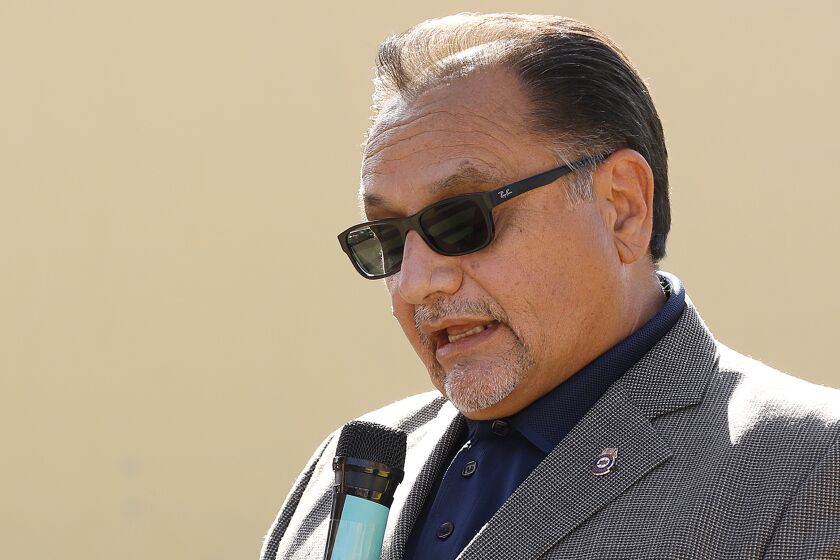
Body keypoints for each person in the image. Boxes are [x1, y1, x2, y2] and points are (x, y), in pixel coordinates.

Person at [261, 13, 839, 560]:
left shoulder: (808, 469)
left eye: (462, 221)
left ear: (622, 208)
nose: (415, 282)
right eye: (387, 240)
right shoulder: (346, 470)